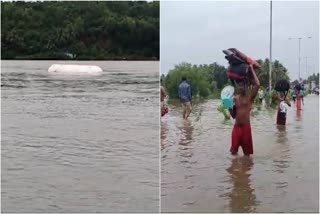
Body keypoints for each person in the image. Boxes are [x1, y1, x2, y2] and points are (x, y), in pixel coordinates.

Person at [228, 65, 260, 156]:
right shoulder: (235, 99)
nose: (241, 87)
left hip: (246, 128)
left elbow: (257, 84)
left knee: (247, 155)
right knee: (233, 152)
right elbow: (233, 115)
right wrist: (228, 106)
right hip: (236, 127)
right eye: (240, 85)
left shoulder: (250, 97)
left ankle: (246, 169)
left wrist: (252, 69)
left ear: (246, 86)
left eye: (243, 85)